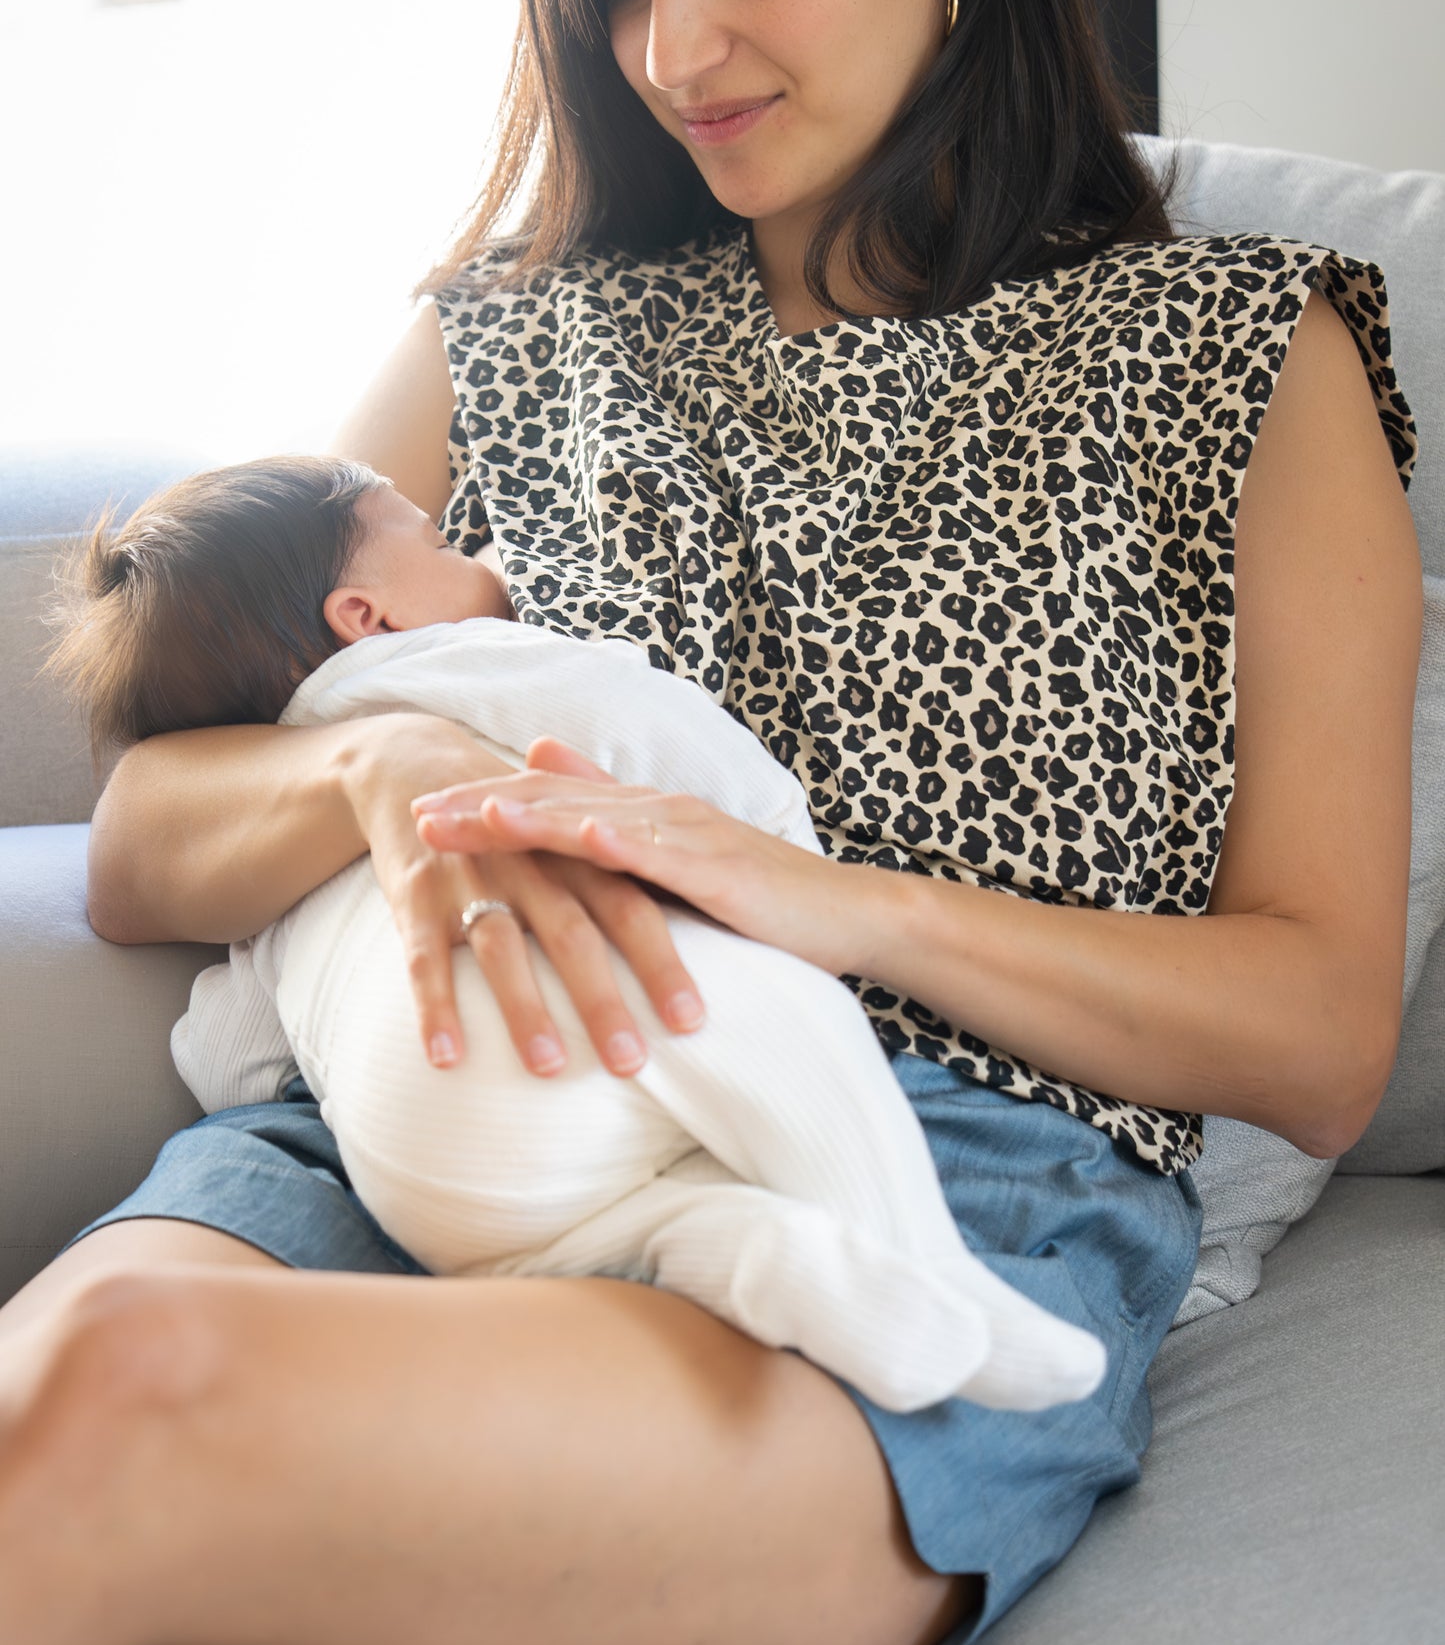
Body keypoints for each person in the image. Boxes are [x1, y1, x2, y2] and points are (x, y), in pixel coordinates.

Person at [0, 0, 1422, 1645]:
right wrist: (382, 771)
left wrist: (813, 900)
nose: (671, 46)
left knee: (123, 1397)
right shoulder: (506, 334)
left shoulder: (1234, 352)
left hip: (907, 1198)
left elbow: (1309, 1026)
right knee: (93, 1422)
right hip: (388, 1129)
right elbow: (139, 837)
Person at [45, 452, 1109, 1416]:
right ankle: (924, 1266)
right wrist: (779, 846)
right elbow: (650, 735)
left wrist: (331, 1088)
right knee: (789, 1025)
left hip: (414, 1157)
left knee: (615, 1233)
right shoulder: (462, 661)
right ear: (363, 616)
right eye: (445, 540)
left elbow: (229, 1055)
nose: (482, 557)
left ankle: (763, 1259)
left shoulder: (270, 823)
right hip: (593, 1013)